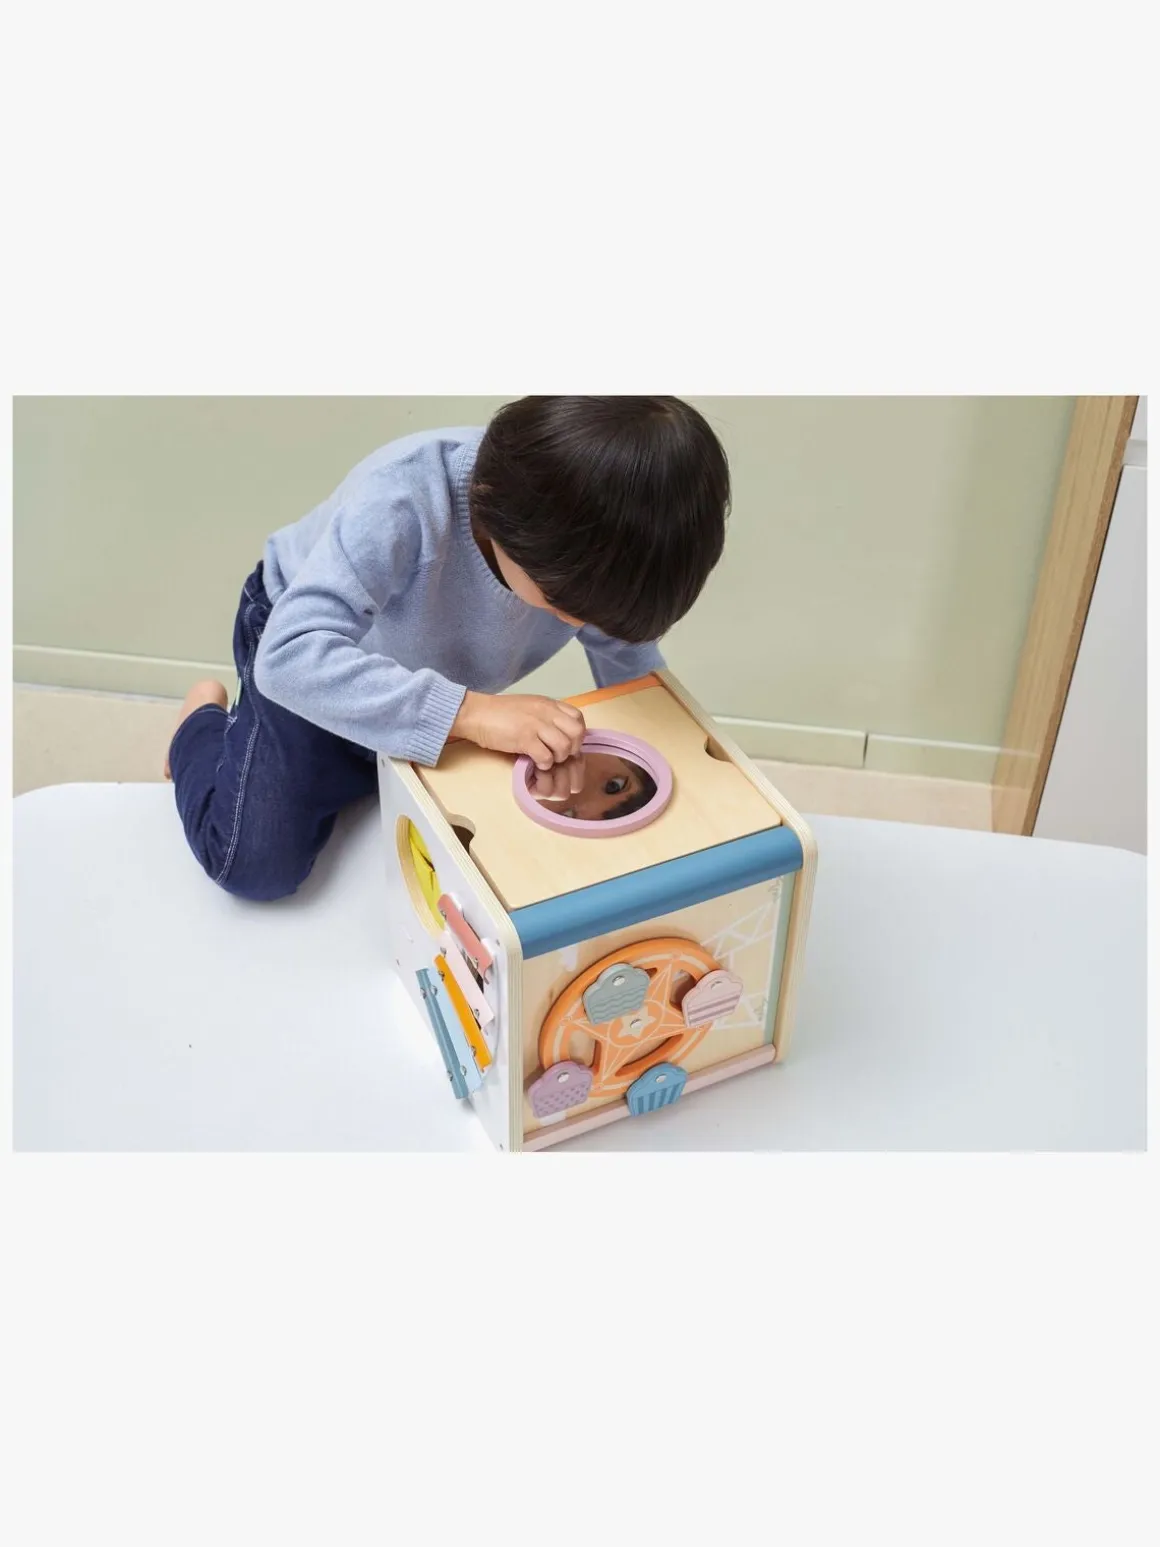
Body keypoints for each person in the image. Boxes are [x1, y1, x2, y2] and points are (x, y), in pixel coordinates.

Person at [166, 396, 730, 901]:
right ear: (506, 520)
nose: (583, 624)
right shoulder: (403, 498)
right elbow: (289, 658)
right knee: (254, 866)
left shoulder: (593, 546)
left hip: (427, 677)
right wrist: (471, 714)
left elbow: (631, 671)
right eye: (566, 605)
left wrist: (686, 776)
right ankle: (199, 721)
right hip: (304, 647)